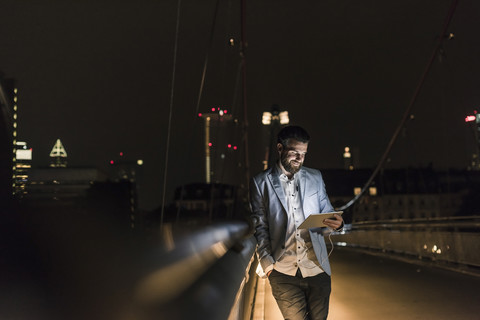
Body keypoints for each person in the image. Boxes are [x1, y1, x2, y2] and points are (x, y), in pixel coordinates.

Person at [249, 125, 343, 320]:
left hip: (317, 267)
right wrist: (268, 266)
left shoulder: (315, 177)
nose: (300, 159)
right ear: (280, 148)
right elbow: (260, 226)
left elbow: (326, 210)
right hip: (283, 272)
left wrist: (336, 222)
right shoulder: (260, 183)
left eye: (303, 154)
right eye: (294, 153)